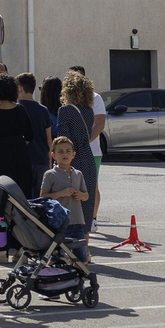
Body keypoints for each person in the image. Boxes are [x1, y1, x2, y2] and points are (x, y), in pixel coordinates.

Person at [0, 73, 35, 264]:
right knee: (20, 203)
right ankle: (20, 249)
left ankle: (0, 250)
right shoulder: (21, 110)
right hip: (20, 158)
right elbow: (30, 136)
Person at [56, 69, 99, 230]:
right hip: (88, 156)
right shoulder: (88, 111)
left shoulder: (65, 110)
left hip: (72, 159)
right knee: (86, 201)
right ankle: (85, 240)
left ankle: (71, 238)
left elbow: (63, 140)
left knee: (69, 201)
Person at [43, 137, 91, 264]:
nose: (65, 154)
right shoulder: (50, 174)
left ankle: (77, 279)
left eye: (68, 151)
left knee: (81, 259)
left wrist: (81, 195)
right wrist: (60, 193)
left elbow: (86, 196)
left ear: (73, 154)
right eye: (61, 152)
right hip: (60, 223)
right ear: (53, 155)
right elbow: (43, 197)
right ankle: (53, 276)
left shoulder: (78, 174)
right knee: (56, 256)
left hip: (77, 221)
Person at [70, 65, 106, 225]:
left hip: (92, 150)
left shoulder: (95, 98)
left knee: (92, 184)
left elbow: (99, 124)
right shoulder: (67, 98)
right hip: (71, 151)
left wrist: (84, 142)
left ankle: (92, 218)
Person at [16, 73, 54, 199]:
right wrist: (49, 162)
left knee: (23, 199)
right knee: (40, 199)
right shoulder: (43, 110)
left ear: (20, 88)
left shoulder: (15, 108)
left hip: (22, 160)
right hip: (41, 159)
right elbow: (49, 140)